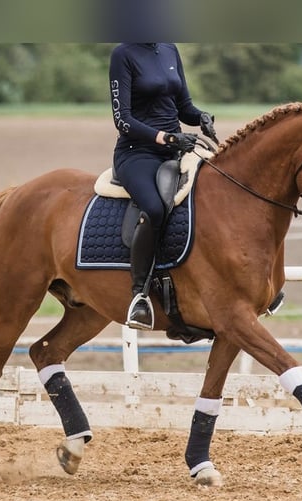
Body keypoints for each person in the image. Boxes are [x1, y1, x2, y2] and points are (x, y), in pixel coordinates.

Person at [109, 43, 217, 330]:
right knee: (155, 209)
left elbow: (184, 108)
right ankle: (139, 296)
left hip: (175, 151)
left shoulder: (170, 50)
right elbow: (123, 120)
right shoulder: (123, 55)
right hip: (137, 153)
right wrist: (167, 139)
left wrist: (201, 117)